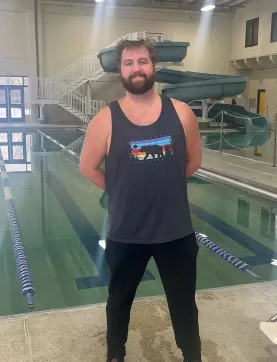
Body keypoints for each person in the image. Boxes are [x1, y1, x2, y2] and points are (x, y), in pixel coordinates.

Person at [79, 38, 202, 362]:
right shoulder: (105, 119)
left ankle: (192, 355)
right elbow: (87, 166)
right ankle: (115, 355)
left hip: (176, 231)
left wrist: (164, 184)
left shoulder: (182, 114)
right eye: (129, 63)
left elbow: (193, 161)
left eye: (142, 62)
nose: (136, 69)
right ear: (121, 70)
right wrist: (118, 188)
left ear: (154, 67)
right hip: (126, 232)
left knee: (183, 303)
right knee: (118, 300)